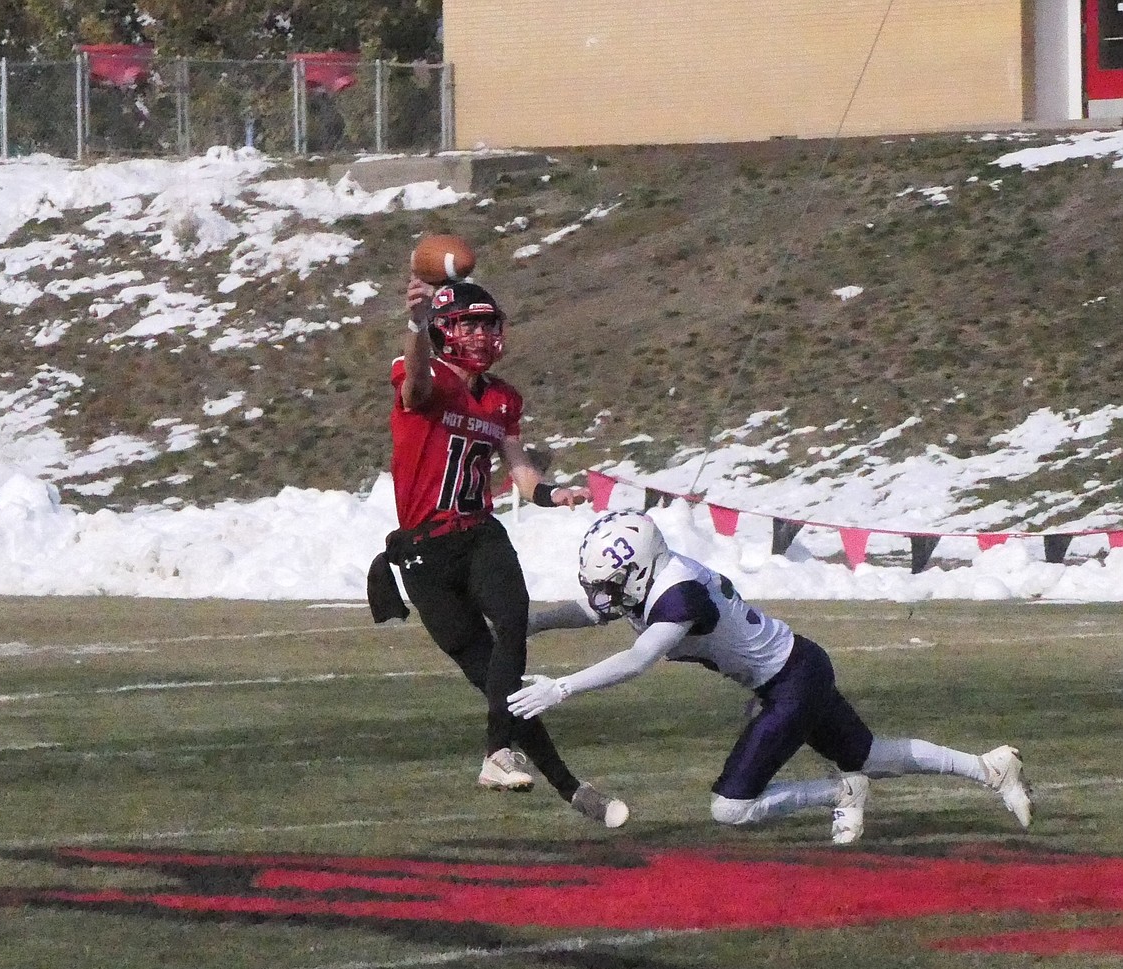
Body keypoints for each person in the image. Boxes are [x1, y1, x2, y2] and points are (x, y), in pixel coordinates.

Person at [508, 510, 1033, 843]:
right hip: (798, 667)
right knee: (869, 752)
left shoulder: (680, 595)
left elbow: (637, 660)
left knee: (731, 809)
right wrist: (529, 621)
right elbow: (590, 607)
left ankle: (840, 793)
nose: (606, 594)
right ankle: (988, 768)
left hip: (789, 681)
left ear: (642, 570)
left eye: (613, 582)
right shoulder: (656, 574)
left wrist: (562, 686)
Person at [368, 268, 629, 829]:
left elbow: (522, 473)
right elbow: (414, 385)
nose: (483, 336)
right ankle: (570, 786)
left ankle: (495, 753)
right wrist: (413, 324)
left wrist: (555, 492)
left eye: (489, 325)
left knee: (512, 621)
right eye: (470, 324)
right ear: (443, 329)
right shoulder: (426, 373)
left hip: (478, 530)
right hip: (424, 554)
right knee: (494, 677)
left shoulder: (504, 399)